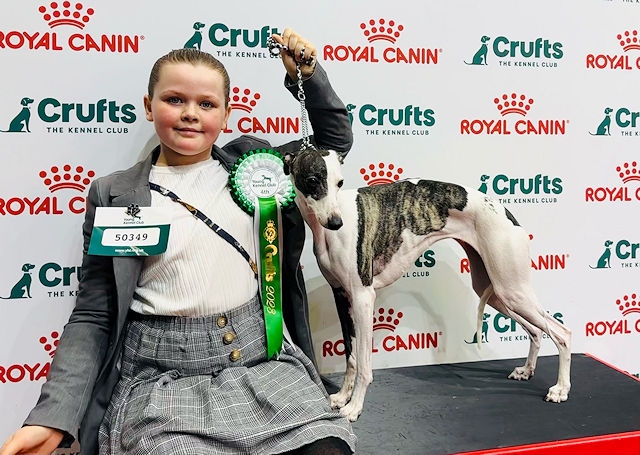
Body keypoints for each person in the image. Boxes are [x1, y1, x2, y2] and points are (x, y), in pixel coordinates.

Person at [0, 28, 356, 455]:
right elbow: (94, 315)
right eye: (175, 100)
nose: (191, 113)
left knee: (328, 448)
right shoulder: (114, 195)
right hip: (160, 379)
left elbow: (332, 143)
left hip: (261, 361)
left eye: (206, 104)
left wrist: (310, 77)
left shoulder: (257, 167)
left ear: (225, 116)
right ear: (149, 107)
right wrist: (53, 417)